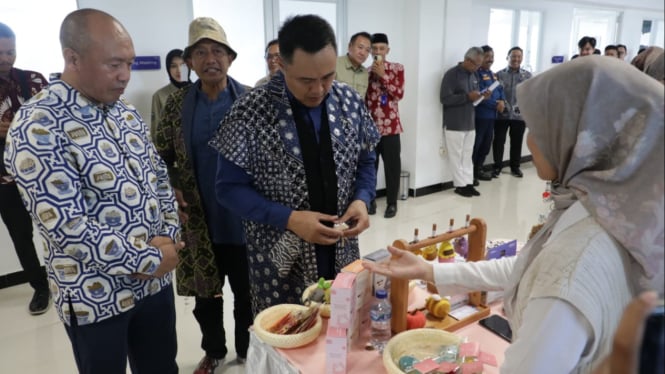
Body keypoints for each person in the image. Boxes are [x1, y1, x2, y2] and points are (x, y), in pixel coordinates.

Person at [364, 56, 664, 373]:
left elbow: (553, 279)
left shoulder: (576, 260)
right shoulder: (609, 211)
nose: (530, 141)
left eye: (541, 128)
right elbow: (530, 267)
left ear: (584, 135)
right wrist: (430, 271)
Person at [4, 9, 184, 374]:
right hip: (96, 297)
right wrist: (147, 261)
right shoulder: (38, 123)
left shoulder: (126, 112)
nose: (125, 75)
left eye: (130, 64)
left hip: (156, 284)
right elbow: (66, 226)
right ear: (73, 58)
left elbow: (159, 180)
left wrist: (168, 236)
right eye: (114, 64)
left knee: (162, 367)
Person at [209, 14, 379, 316]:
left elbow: (366, 157)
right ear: (281, 65)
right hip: (280, 258)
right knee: (289, 335)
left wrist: (362, 199)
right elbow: (228, 189)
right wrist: (289, 218)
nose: (318, 89)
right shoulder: (250, 111)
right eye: (306, 80)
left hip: (342, 247)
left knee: (341, 329)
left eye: (327, 77)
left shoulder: (349, 101)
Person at [154, 17, 252, 373]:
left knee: (248, 294)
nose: (210, 58)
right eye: (201, 52)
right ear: (189, 62)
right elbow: (158, 155)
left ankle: (247, 351)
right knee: (205, 298)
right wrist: (172, 184)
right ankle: (214, 352)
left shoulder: (249, 100)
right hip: (198, 221)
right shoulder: (177, 106)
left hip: (244, 221)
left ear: (230, 58)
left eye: (217, 51)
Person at [0, 22, 51, 315]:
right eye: (0, 53)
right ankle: (40, 287)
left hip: (43, 175)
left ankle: (69, 277)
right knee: (21, 237)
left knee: (60, 227)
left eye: (11, 51)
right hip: (4, 181)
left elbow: (55, 119)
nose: (6, 59)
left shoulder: (33, 80)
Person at [365, 32, 405, 218]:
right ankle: (370, 201)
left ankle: (391, 203)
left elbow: (399, 94)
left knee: (392, 167)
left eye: (381, 48)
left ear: (387, 50)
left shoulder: (397, 68)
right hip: (370, 129)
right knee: (369, 167)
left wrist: (383, 76)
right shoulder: (365, 73)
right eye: (374, 49)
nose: (378, 52)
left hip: (391, 128)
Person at [440, 46, 487, 198]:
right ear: (467, 60)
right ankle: (460, 186)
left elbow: (474, 100)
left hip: (470, 122)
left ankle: (468, 183)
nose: (478, 68)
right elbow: (444, 99)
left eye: (480, 65)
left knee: (467, 155)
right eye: (476, 64)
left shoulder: (474, 76)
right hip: (455, 123)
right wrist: (467, 97)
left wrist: (481, 97)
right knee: (456, 156)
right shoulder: (452, 75)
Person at [492, 46, 532, 178]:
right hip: (501, 115)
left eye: (519, 56)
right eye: (513, 56)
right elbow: (494, 93)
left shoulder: (527, 76)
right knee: (499, 141)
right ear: (507, 57)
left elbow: (530, 95)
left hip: (519, 115)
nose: (516, 59)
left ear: (522, 59)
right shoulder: (498, 75)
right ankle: (497, 167)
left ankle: (515, 167)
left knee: (516, 142)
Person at [472, 45, 504, 184]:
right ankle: (472, 172)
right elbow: (479, 96)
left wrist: (502, 101)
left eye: (492, 56)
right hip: (480, 116)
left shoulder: (493, 74)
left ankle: (479, 169)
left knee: (486, 145)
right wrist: (495, 105)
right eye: (487, 56)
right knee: (476, 145)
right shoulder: (476, 74)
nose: (490, 59)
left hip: (492, 117)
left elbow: (500, 91)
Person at [150, 48, 188, 139]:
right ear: (168, 69)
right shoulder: (159, 96)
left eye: (183, 65)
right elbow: (156, 131)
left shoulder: (199, 91)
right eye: (173, 66)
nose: (179, 70)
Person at [335, 31, 371, 98]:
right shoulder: (334, 64)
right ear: (350, 46)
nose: (363, 53)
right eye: (360, 47)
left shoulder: (365, 73)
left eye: (367, 50)